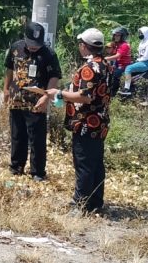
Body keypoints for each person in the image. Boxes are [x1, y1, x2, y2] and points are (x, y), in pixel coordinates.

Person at [46, 28, 111, 214]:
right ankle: (95, 203)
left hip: (86, 123)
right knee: (95, 164)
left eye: (80, 44)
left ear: (84, 46)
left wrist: (59, 93)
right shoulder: (105, 64)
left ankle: (80, 204)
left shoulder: (89, 68)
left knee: (83, 164)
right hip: (100, 122)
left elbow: (85, 97)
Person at [3, 22, 61, 180]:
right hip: (16, 100)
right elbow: (9, 69)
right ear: (25, 37)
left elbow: (54, 77)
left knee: (37, 139)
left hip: (37, 103)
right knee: (17, 135)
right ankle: (16, 167)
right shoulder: (16, 48)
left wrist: (46, 97)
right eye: (31, 43)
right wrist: (6, 89)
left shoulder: (49, 54)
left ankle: (37, 172)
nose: (34, 47)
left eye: (37, 44)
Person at [120, 26, 148, 95]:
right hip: (142, 61)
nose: (140, 34)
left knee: (128, 68)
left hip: (147, 63)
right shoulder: (143, 42)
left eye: (141, 33)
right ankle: (131, 85)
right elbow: (140, 53)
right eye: (139, 33)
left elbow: (146, 56)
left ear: (146, 33)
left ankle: (126, 89)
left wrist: (137, 60)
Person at [104, 27, 132, 96]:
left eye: (118, 35)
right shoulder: (117, 45)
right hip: (118, 65)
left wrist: (106, 58)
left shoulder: (124, 45)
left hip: (124, 66)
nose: (116, 37)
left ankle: (114, 93)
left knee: (114, 75)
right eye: (115, 35)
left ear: (122, 36)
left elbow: (117, 56)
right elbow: (111, 52)